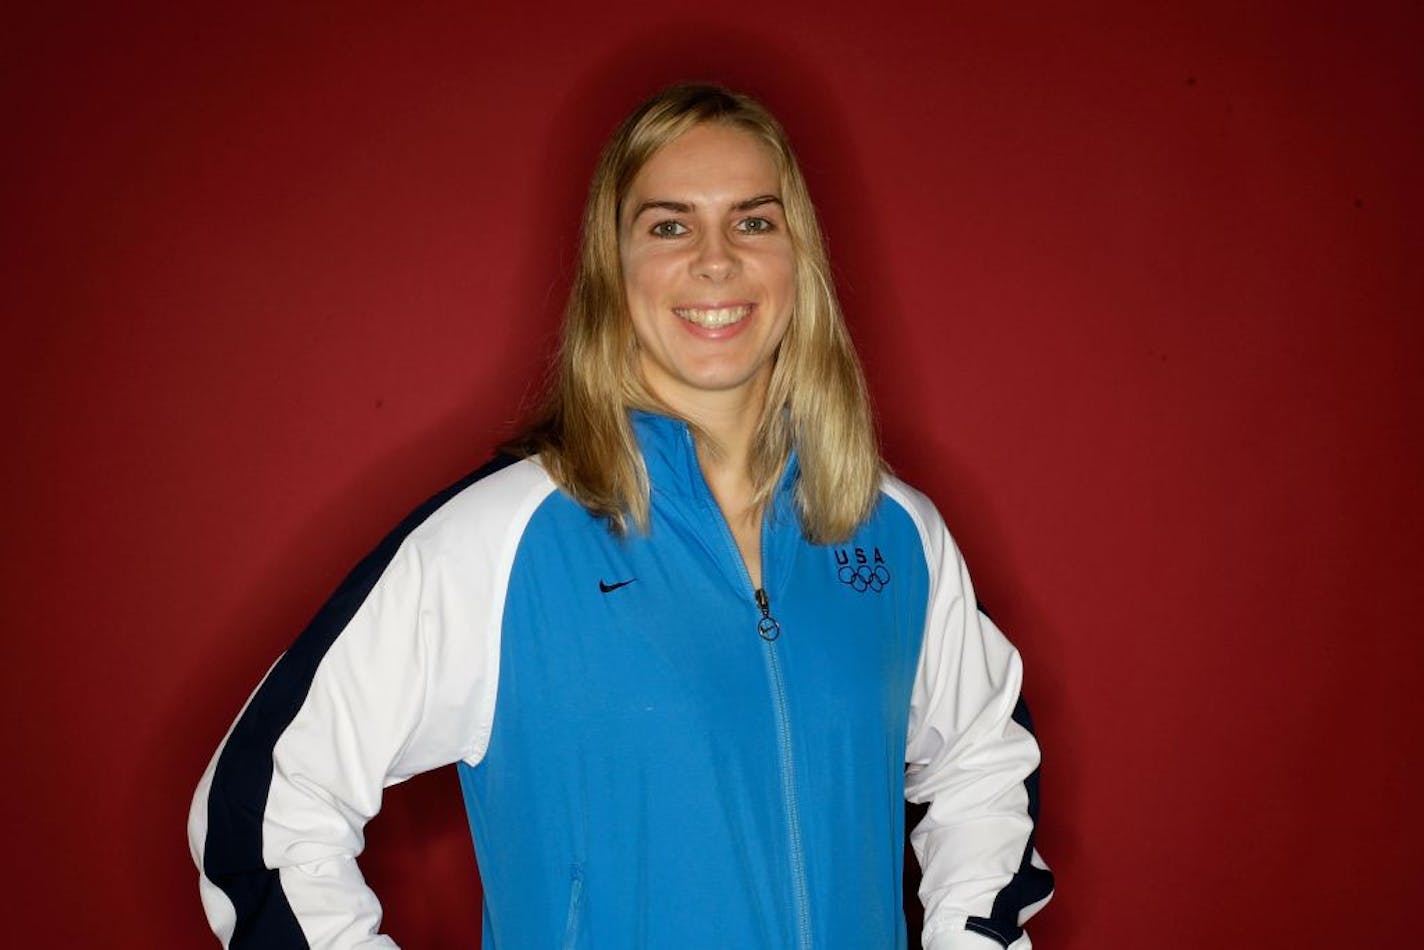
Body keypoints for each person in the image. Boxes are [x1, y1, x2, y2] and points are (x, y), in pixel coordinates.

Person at [188, 83, 1053, 949]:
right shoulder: (503, 541)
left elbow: (985, 763)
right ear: (615, 267)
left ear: (800, 262)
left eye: (754, 222)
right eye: (669, 226)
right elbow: (262, 808)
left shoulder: (895, 535)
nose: (716, 262)